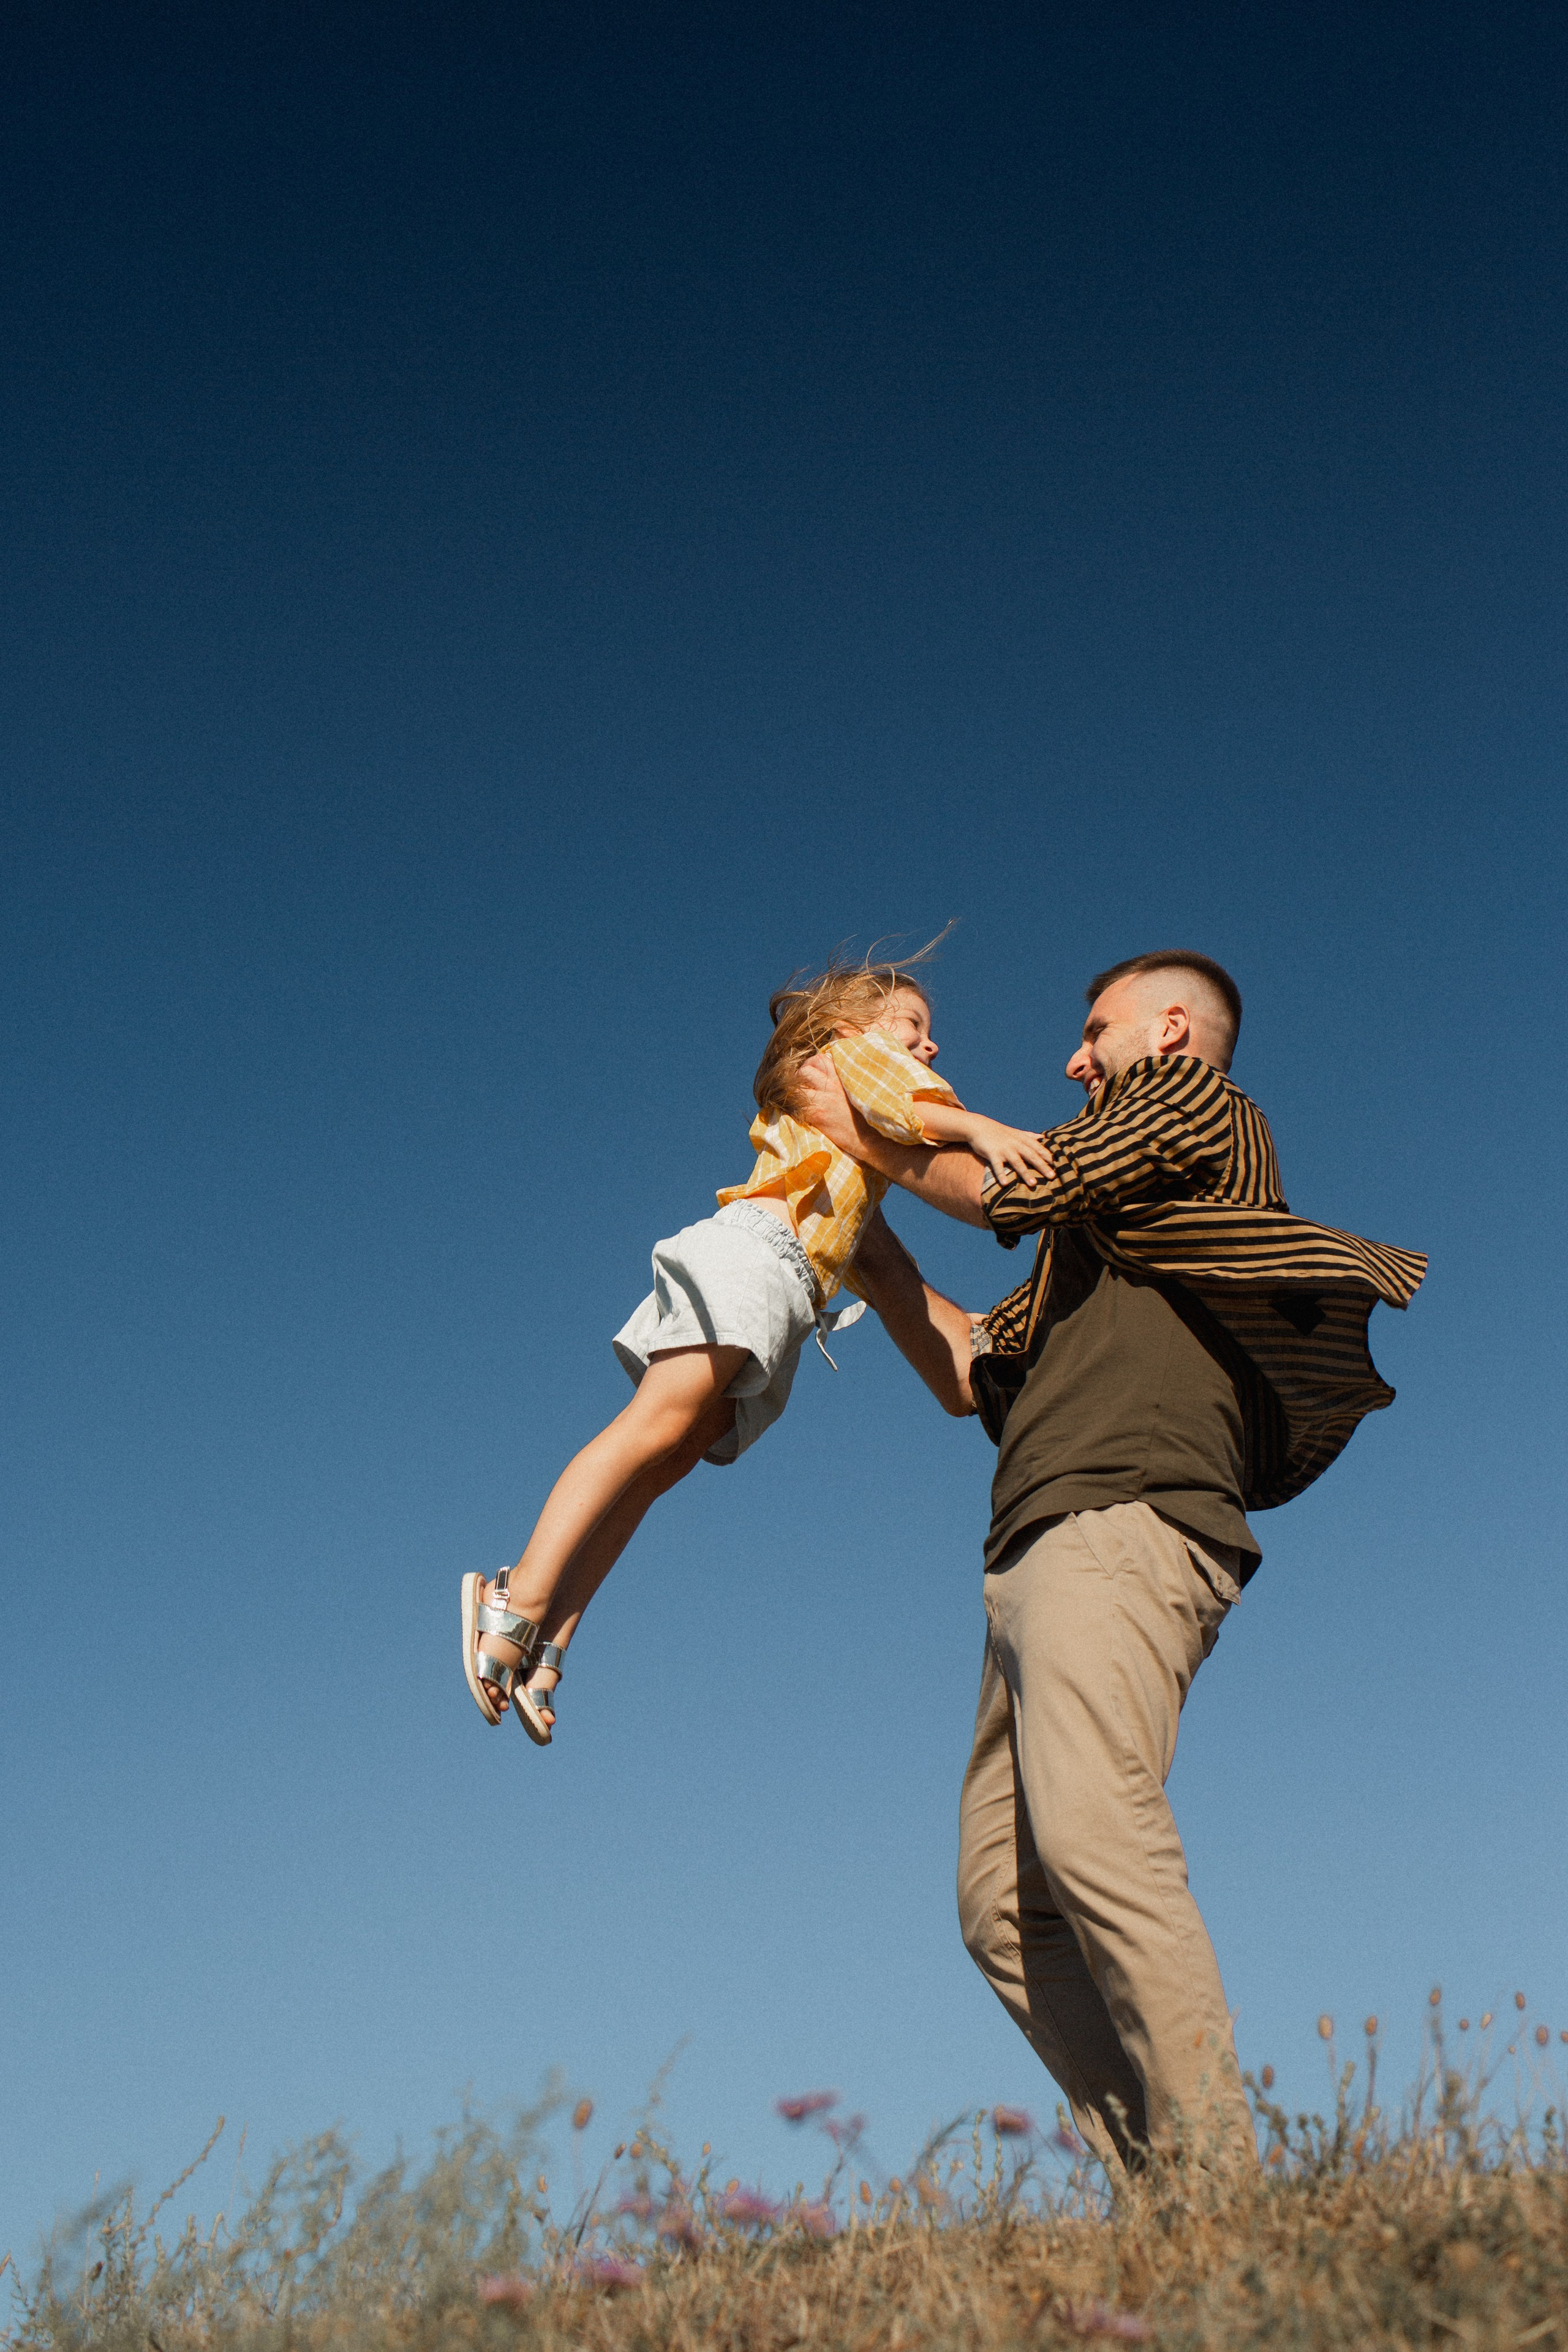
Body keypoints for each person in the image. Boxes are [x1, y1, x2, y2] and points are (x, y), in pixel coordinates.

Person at [793, 950, 1425, 2176]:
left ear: (1171, 1030)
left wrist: (857, 1120)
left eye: (1095, 1032)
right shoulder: (1097, 1249)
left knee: (1095, 1837)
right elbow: (969, 1370)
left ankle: (1218, 2190)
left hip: (1127, 1513)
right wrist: (865, 1240)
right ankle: (1164, 2198)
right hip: (1033, 1544)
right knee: (1002, 1906)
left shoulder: (1194, 1103)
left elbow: (1020, 1182)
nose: (1075, 1059)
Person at [460, 952, 1054, 1744]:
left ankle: (549, 1638)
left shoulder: (847, 1098)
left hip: (789, 1292)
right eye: (913, 1024)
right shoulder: (851, 1054)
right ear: (852, 1023)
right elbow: (915, 1106)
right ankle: (517, 1594)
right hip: (756, 1256)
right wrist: (984, 1128)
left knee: (667, 1457)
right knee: (654, 1426)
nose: (931, 1043)